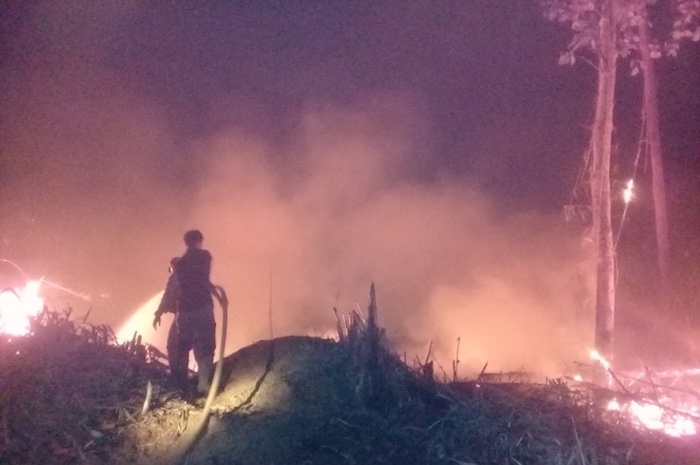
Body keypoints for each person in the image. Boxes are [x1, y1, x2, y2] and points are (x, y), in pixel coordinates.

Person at [173, 229, 217, 395]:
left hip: (183, 310)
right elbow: (203, 280)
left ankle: (181, 386)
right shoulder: (204, 256)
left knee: (183, 347)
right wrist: (220, 298)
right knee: (206, 344)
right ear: (200, 240)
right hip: (202, 306)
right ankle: (203, 384)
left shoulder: (179, 264)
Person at [152, 257, 185, 389]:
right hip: (190, 316)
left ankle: (178, 380)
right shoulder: (190, 278)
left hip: (183, 317)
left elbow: (167, 297)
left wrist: (158, 313)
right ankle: (181, 379)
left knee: (174, 346)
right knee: (181, 348)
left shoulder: (176, 279)